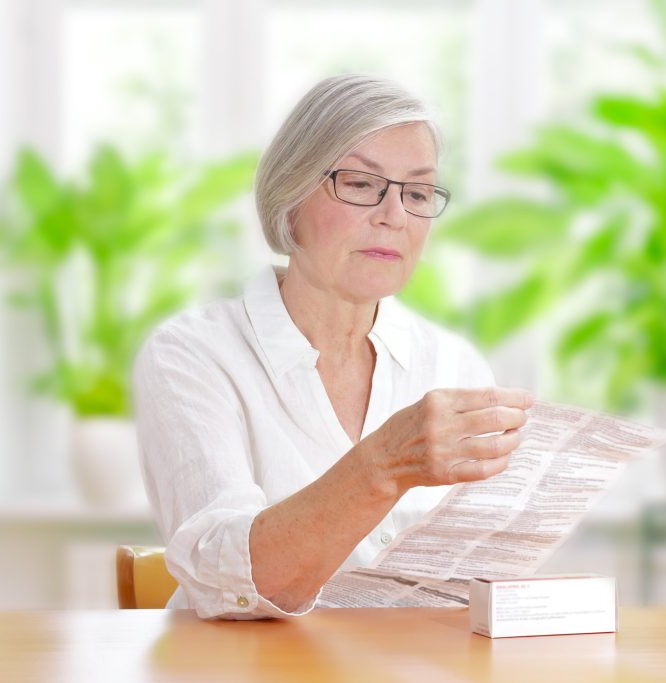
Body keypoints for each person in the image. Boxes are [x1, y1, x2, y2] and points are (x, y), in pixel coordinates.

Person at [132, 74, 533, 620]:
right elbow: (233, 587)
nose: (394, 216)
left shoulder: (453, 363)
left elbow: (482, 576)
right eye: (362, 185)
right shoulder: (192, 356)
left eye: (416, 193)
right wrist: (385, 463)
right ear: (289, 198)